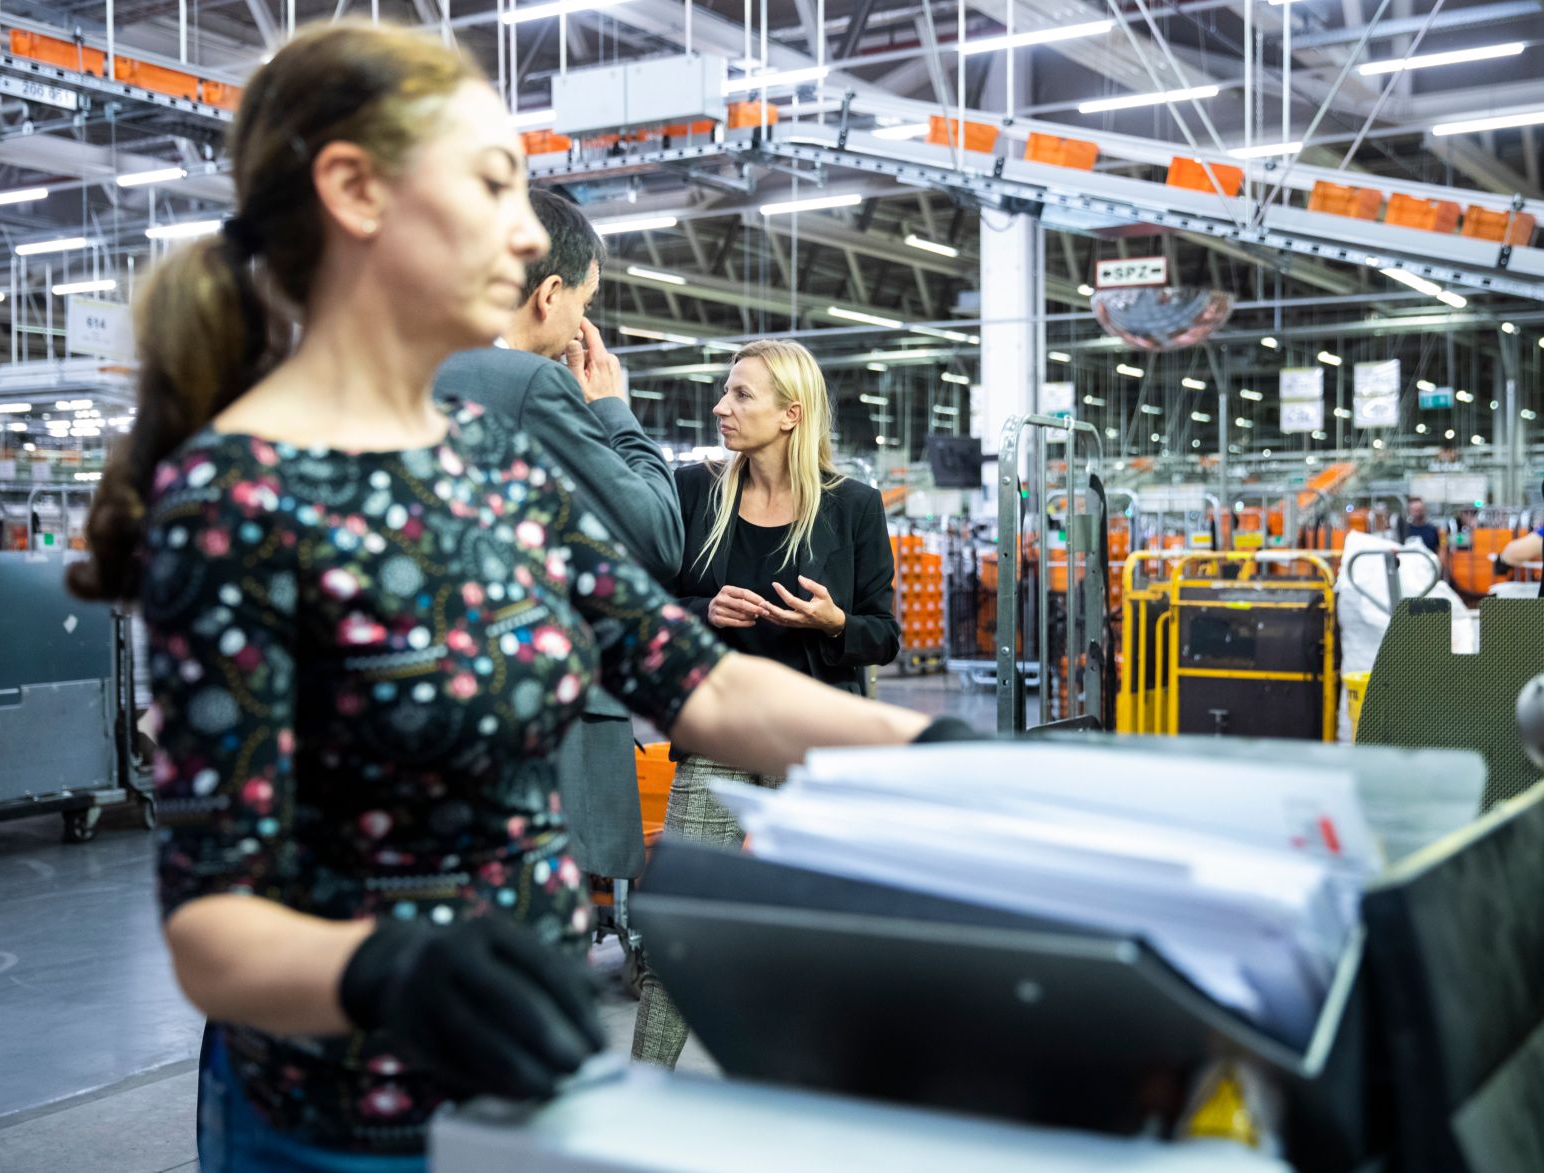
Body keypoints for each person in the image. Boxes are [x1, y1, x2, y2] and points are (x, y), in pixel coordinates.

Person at [64, 24, 935, 1169]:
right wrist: (385, 968)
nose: (527, 236)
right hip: (337, 1127)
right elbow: (213, 935)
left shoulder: (491, 454)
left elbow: (699, 687)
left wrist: (941, 750)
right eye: (490, 188)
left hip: (527, 1103)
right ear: (354, 190)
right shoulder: (236, 500)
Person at [631, 338, 899, 1068]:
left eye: (740, 394)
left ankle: (817, 1104)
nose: (721, 405)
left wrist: (834, 623)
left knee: (819, 935)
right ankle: (639, 1098)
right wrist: (702, 607)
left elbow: (884, 634)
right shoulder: (696, 492)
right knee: (676, 929)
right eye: (725, 391)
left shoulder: (852, 507)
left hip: (814, 745)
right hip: (717, 732)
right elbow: (647, 604)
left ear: (791, 413)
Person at [435, 189, 677, 885]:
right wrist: (613, 414)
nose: (583, 322)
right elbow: (655, 534)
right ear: (547, 293)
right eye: (584, 300)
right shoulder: (523, 382)